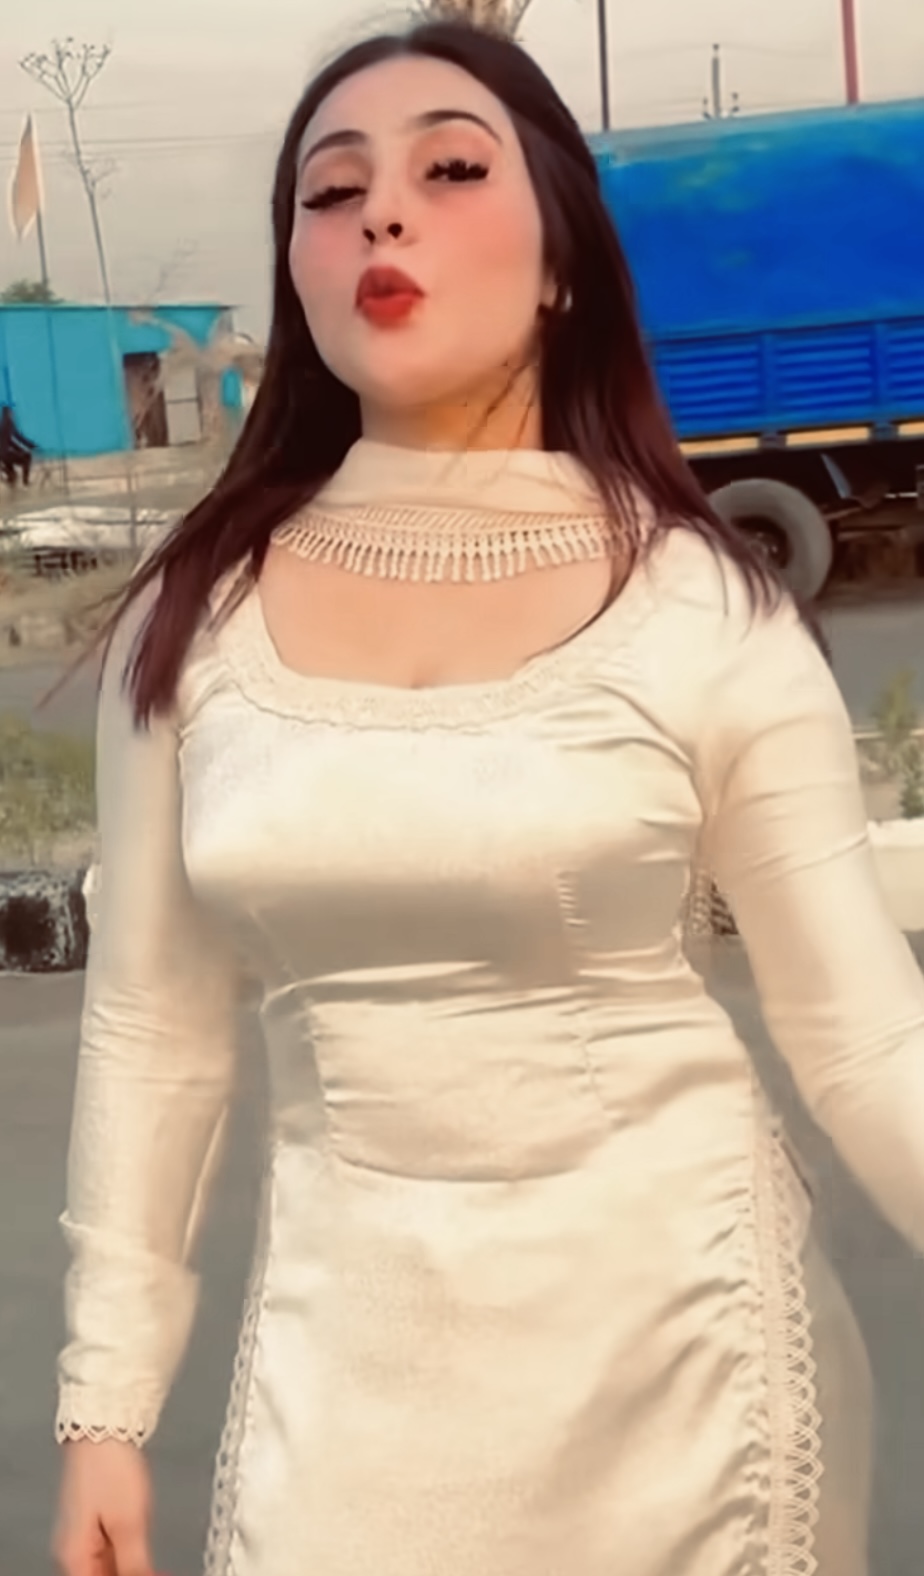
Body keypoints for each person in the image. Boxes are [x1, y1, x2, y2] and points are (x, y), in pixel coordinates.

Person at [52, 19, 924, 1576]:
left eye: (451, 170)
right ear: (298, 272)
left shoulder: (701, 608)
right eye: (333, 192)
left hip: (685, 1364)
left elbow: (863, 1042)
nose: (383, 213)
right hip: (345, 1382)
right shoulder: (198, 619)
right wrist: (105, 1405)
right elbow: (152, 1032)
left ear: (564, 261)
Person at [0, 403, 36, 485]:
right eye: (11, 412)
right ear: (9, 414)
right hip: (6, 454)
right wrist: (31, 445)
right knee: (27, 458)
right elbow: (18, 437)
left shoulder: (2, 426)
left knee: (11, 471)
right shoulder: (9, 425)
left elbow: (10, 442)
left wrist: (21, 449)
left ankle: (10, 477)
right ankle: (25, 482)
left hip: (2, 456)